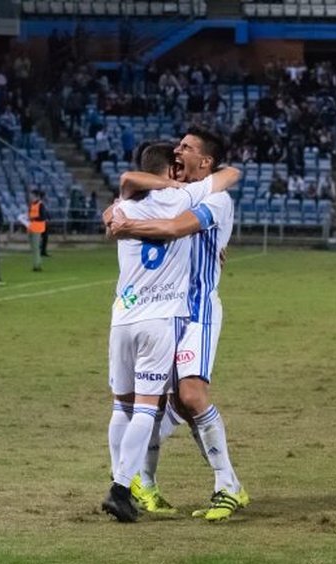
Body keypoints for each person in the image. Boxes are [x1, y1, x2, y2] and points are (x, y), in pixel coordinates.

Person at [109, 126, 250, 521]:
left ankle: (228, 485)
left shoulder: (217, 200)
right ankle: (144, 483)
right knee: (158, 403)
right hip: (162, 312)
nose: (177, 150)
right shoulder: (172, 196)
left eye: (186, 148)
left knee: (188, 396)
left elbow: (173, 228)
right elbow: (139, 201)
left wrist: (124, 226)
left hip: (197, 310)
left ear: (205, 162)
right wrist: (114, 212)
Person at [26, 189, 48, 271]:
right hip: (31, 227)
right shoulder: (31, 204)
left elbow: (43, 217)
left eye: (31, 195)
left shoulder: (40, 204)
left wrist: (33, 218)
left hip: (37, 228)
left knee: (36, 247)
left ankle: (37, 265)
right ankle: (36, 264)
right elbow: (29, 214)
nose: (30, 197)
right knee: (33, 247)